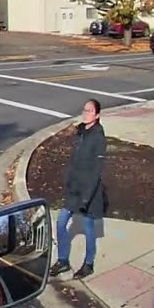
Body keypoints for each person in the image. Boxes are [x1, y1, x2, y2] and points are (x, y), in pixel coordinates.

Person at [50, 99, 108, 280]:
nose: (85, 113)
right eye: (84, 110)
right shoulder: (80, 132)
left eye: (90, 111)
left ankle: (88, 264)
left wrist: (86, 199)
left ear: (97, 115)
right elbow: (73, 161)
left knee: (89, 228)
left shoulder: (98, 137)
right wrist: (67, 179)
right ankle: (63, 261)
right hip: (74, 189)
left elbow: (96, 171)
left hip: (88, 192)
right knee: (61, 222)